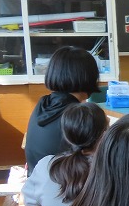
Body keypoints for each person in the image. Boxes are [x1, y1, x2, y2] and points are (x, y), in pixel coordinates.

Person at [21, 102, 108, 206]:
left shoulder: (47, 166)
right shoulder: (115, 168)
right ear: (105, 134)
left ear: (66, 134)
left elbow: (30, 204)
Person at [24, 46, 101, 174]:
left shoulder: (43, 103)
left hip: (35, 181)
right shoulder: (78, 115)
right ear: (89, 77)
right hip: (63, 184)